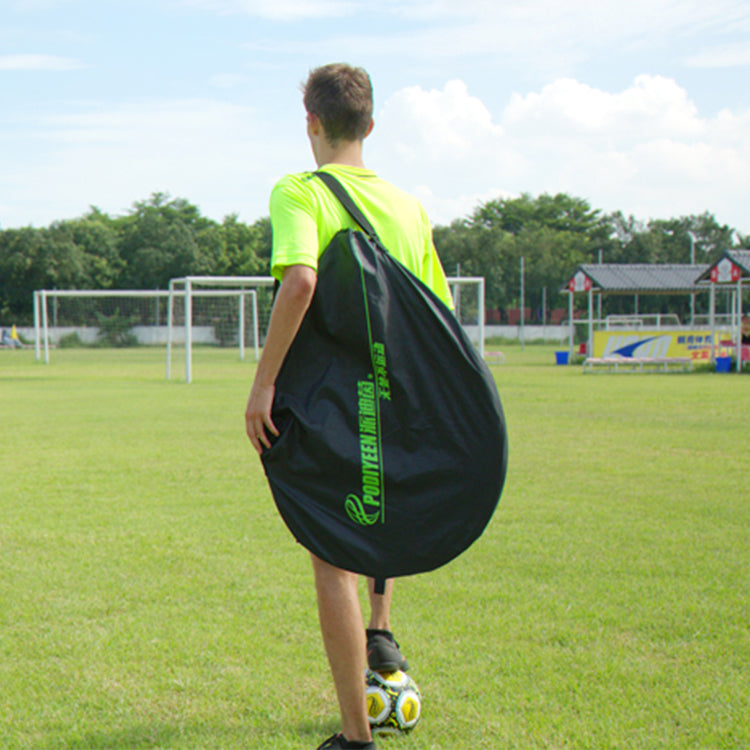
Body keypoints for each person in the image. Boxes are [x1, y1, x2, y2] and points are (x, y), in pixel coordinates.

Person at [244, 63, 453, 750]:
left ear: (310, 122)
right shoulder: (407, 206)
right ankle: (382, 631)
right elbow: (440, 317)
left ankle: (355, 735)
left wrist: (263, 384)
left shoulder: (299, 190)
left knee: (331, 552)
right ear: (370, 124)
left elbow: (301, 281)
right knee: (381, 521)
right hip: (399, 401)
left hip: (335, 402)